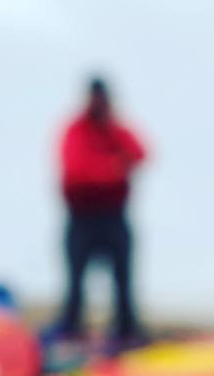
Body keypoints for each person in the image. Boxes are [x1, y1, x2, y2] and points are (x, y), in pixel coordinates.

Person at [48, 75, 148, 353]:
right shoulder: (75, 130)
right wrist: (115, 166)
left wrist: (112, 140)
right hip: (82, 218)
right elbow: (78, 171)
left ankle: (127, 334)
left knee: (123, 283)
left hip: (114, 217)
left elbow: (143, 152)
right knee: (75, 285)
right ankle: (71, 334)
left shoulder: (115, 129)